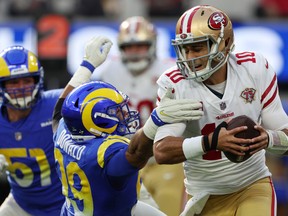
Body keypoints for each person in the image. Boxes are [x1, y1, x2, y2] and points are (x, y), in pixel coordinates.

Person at [152, 5, 288, 216]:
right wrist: (211, 141)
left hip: (252, 185)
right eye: (184, 49)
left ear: (224, 44)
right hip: (204, 196)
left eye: (197, 48)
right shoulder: (174, 84)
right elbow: (161, 150)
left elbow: (284, 133)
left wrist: (269, 139)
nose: (189, 57)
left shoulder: (254, 68)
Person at [52, 35, 204, 215]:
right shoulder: (102, 155)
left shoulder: (64, 130)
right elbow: (137, 154)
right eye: (115, 112)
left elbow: (59, 110)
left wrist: (86, 67)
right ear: (96, 122)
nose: (124, 115)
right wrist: (155, 122)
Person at [92, 16, 187, 216]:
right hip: (127, 158)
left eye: (141, 46)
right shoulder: (110, 71)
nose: (135, 53)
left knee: (169, 210)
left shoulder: (171, 70)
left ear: (152, 44)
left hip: (165, 159)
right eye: (130, 47)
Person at [0, 46, 64, 215]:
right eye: (14, 82)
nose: (21, 88)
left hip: (65, 204)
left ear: (37, 80)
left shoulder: (54, 104)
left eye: (27, 80)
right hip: (21, 204)